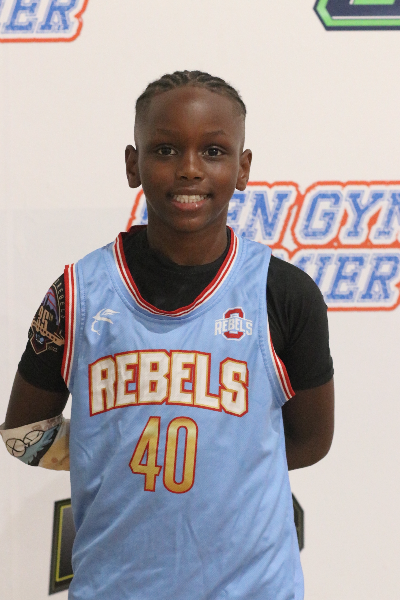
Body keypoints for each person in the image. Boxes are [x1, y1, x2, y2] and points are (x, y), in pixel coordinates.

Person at [1, 70, 334, 600]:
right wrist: (106, 456)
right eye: (165, 149)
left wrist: (222, 465)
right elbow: (23, 431)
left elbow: (312, 440)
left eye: (214, 151)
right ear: (132, 164)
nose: (189, 169)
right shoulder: (78, 293)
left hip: (253, 589)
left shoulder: (284, 293)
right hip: (115, 588)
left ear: (243, 168)